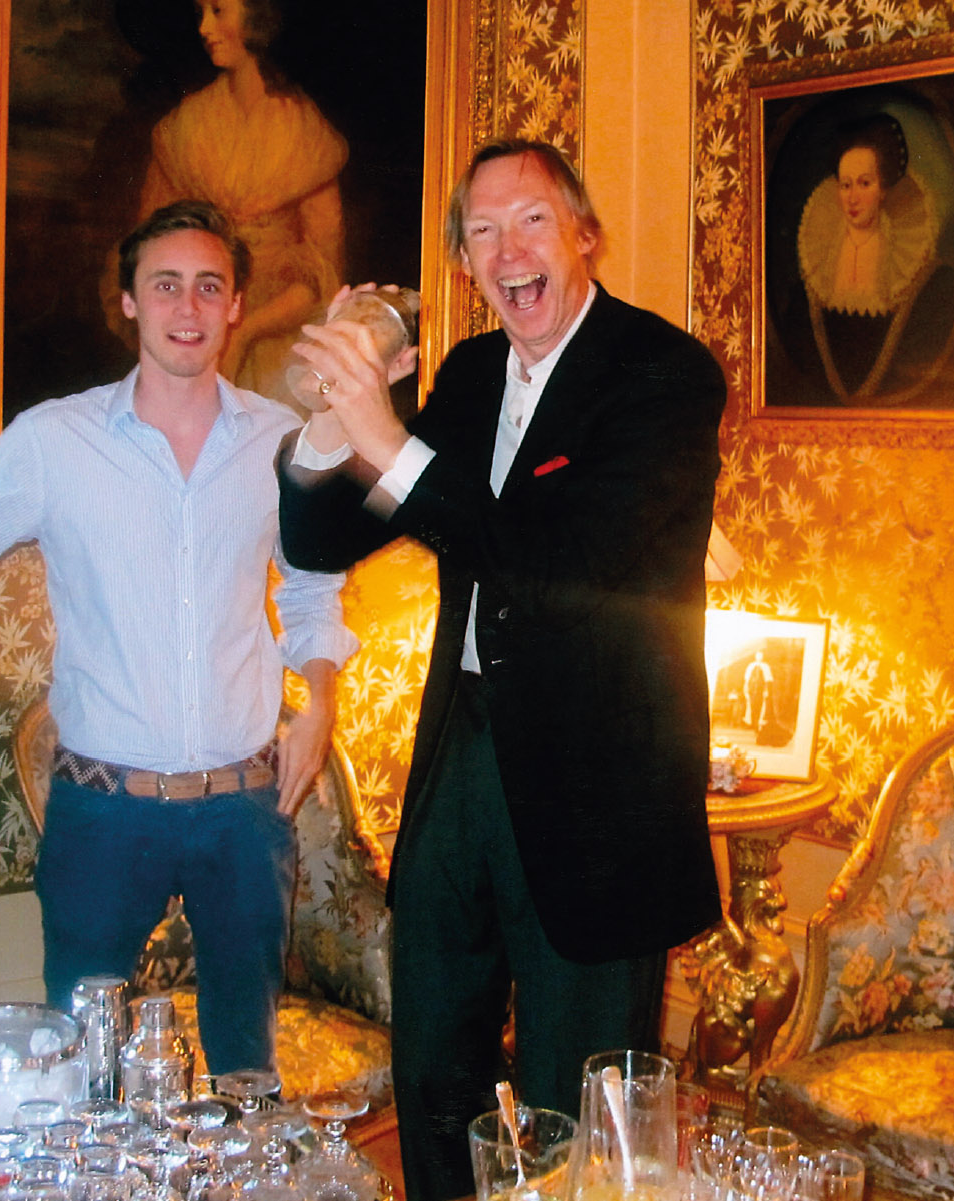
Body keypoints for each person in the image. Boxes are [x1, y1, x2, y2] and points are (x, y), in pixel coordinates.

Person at [277, 140, 726, 1201]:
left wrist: (391, 444)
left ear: (583, 233)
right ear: (463, 259)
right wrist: (330, 418)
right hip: (460, 758)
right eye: (481, 232)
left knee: (575, 1105)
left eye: (530, 220)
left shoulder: (663, 375)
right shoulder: (473, 373)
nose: (506, 249)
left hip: (594, 787)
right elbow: (324, 537)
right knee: (434, 1063)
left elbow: (555, 556)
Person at [0, 200, 356, 1075]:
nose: (188, 307)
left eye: (208, 287)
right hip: (104, 813)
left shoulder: (278, 440)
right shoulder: (55, 441)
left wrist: (320, 699)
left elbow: (310, 588)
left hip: (244, 811)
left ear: (233, 305)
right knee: (83, 1074)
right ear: (130, 302)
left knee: (244, 1071)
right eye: (166, 285)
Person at [136, 0, 346, 406]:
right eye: (199, 13)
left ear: (257, 18)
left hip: (282, 340)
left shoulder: (304, 131)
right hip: (197, 326)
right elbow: (152, 247)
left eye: (218, 10)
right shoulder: (186, 126)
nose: (204, 27)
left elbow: (323, 272)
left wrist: (246, 332)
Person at [795, 113, 954, 403]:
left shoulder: (914, 268)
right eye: (846, 185)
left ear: (883, 189)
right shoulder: (817, 265)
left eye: (864, 183)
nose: (852, 198)